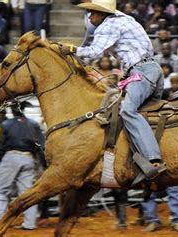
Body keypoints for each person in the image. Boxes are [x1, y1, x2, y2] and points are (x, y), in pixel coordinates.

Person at [61, 0, 167, 182]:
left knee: (127, 111)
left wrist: (70, 49)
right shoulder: (125, 19)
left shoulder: (108, 25)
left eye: (92, 12)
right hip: (152, 70)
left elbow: (94, 51)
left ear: (101, 13)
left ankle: (153, 160)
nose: (89, 16)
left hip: (141, 72)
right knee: (147, 116)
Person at [0, 101, 44, 230]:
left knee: (0, 191)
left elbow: (0, 146)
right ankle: (30, 223)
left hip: (11, 156)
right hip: (28, 157)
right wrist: (42, 164)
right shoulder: (33, 124)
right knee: (27, 193)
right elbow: (40, 147)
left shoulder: (6, 124)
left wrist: (3, 159)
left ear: (12, 111)